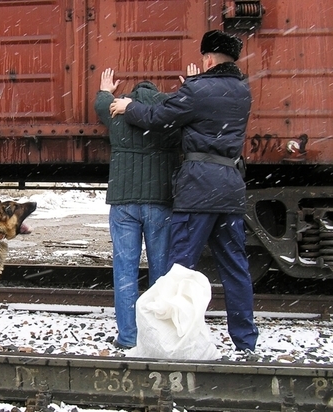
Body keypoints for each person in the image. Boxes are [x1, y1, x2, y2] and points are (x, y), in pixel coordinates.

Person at [108, 30, 259, 352]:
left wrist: (127, 106)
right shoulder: (243, 92)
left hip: (199, 190)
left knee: (177, 271)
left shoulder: (198, 90)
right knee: (235, 268)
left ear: (207, 59)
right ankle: (246, 342)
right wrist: (191, 87)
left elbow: (157, 117)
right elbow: (205, 109)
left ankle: (174, 339)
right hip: (231, 189)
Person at [94, 69, 181, 349]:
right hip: (159, 202)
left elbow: (99, 105)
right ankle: (156, 334)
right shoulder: (168, 113)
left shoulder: (117, 110)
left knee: (125, 270)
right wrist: (188, 88)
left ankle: (128, 336)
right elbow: (190, 110)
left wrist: (105, 89)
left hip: (123, 203)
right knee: (161, 272)